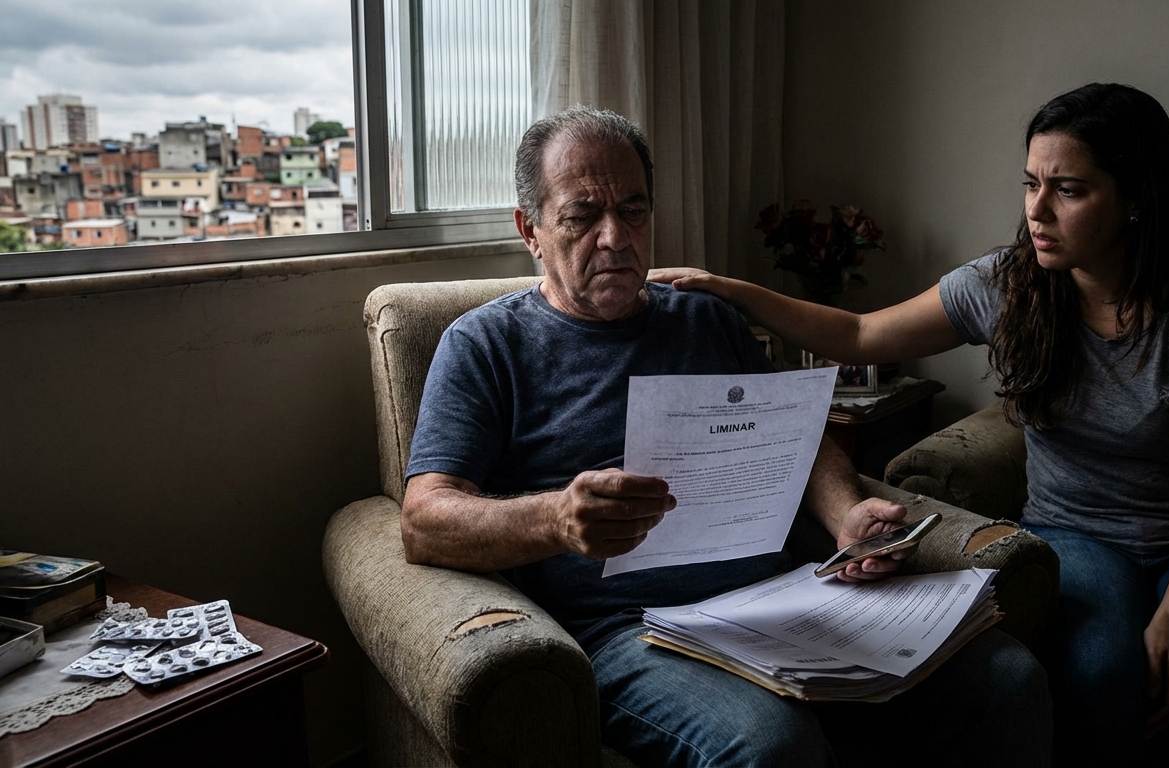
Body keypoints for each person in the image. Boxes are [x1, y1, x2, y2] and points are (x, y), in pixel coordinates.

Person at [655, 83, 1169, 766]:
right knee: (1097, 675)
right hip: (1077, 536)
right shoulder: (1005, 285)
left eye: (1070, 190)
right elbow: (859, 331)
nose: (1037, 211)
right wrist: (731, 289)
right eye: (1031, 184)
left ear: (1136, 198)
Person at [402, 104, 1051, 767]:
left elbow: (799, 436)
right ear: (531, 230)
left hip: (777, 598)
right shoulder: (485, 343)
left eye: (633, 211)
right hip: (630, 629)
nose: (614, 238)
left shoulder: (706, 321)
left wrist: (843, 513)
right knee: (772, 747)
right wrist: (557, 520)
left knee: (1006, 675)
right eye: (581, 216)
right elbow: (423, 521)